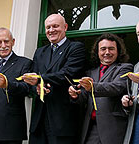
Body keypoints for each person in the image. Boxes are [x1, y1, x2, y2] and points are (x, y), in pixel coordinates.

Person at [22, 14, 86, 144]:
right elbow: (32, 82)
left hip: (62, 121)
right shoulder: (39, 52)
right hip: (39, 121)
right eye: (48, 27)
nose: (51, 30)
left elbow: (67, 74)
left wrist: (40, 79)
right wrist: (37, 88)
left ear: (65, 27)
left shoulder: (76, 48)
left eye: (55, 26)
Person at [68, 33, 133, 144]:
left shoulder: (125, 68)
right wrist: (75, 95)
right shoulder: (90, 72)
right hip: (90, 128)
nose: (107, 52)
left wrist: (93, 87)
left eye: (111, 49)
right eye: (103, 49)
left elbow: (116, 87)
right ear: (97, 52)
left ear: (118, 51)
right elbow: (84, 96)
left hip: (112, 128)